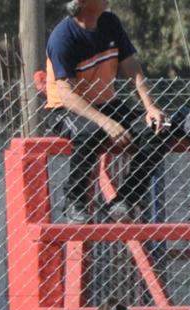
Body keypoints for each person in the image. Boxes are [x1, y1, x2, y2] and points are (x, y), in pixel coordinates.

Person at [44, 0, 169, 223]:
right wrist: (106, 123)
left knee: (159, 130)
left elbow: (131, 66)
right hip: (66, 109)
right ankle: (75, 201)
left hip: (105, 103)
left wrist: (150, 107)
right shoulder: (62, 37)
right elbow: (66, 95)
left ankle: (125, 200)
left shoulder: (110, 23)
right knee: (90, 132)